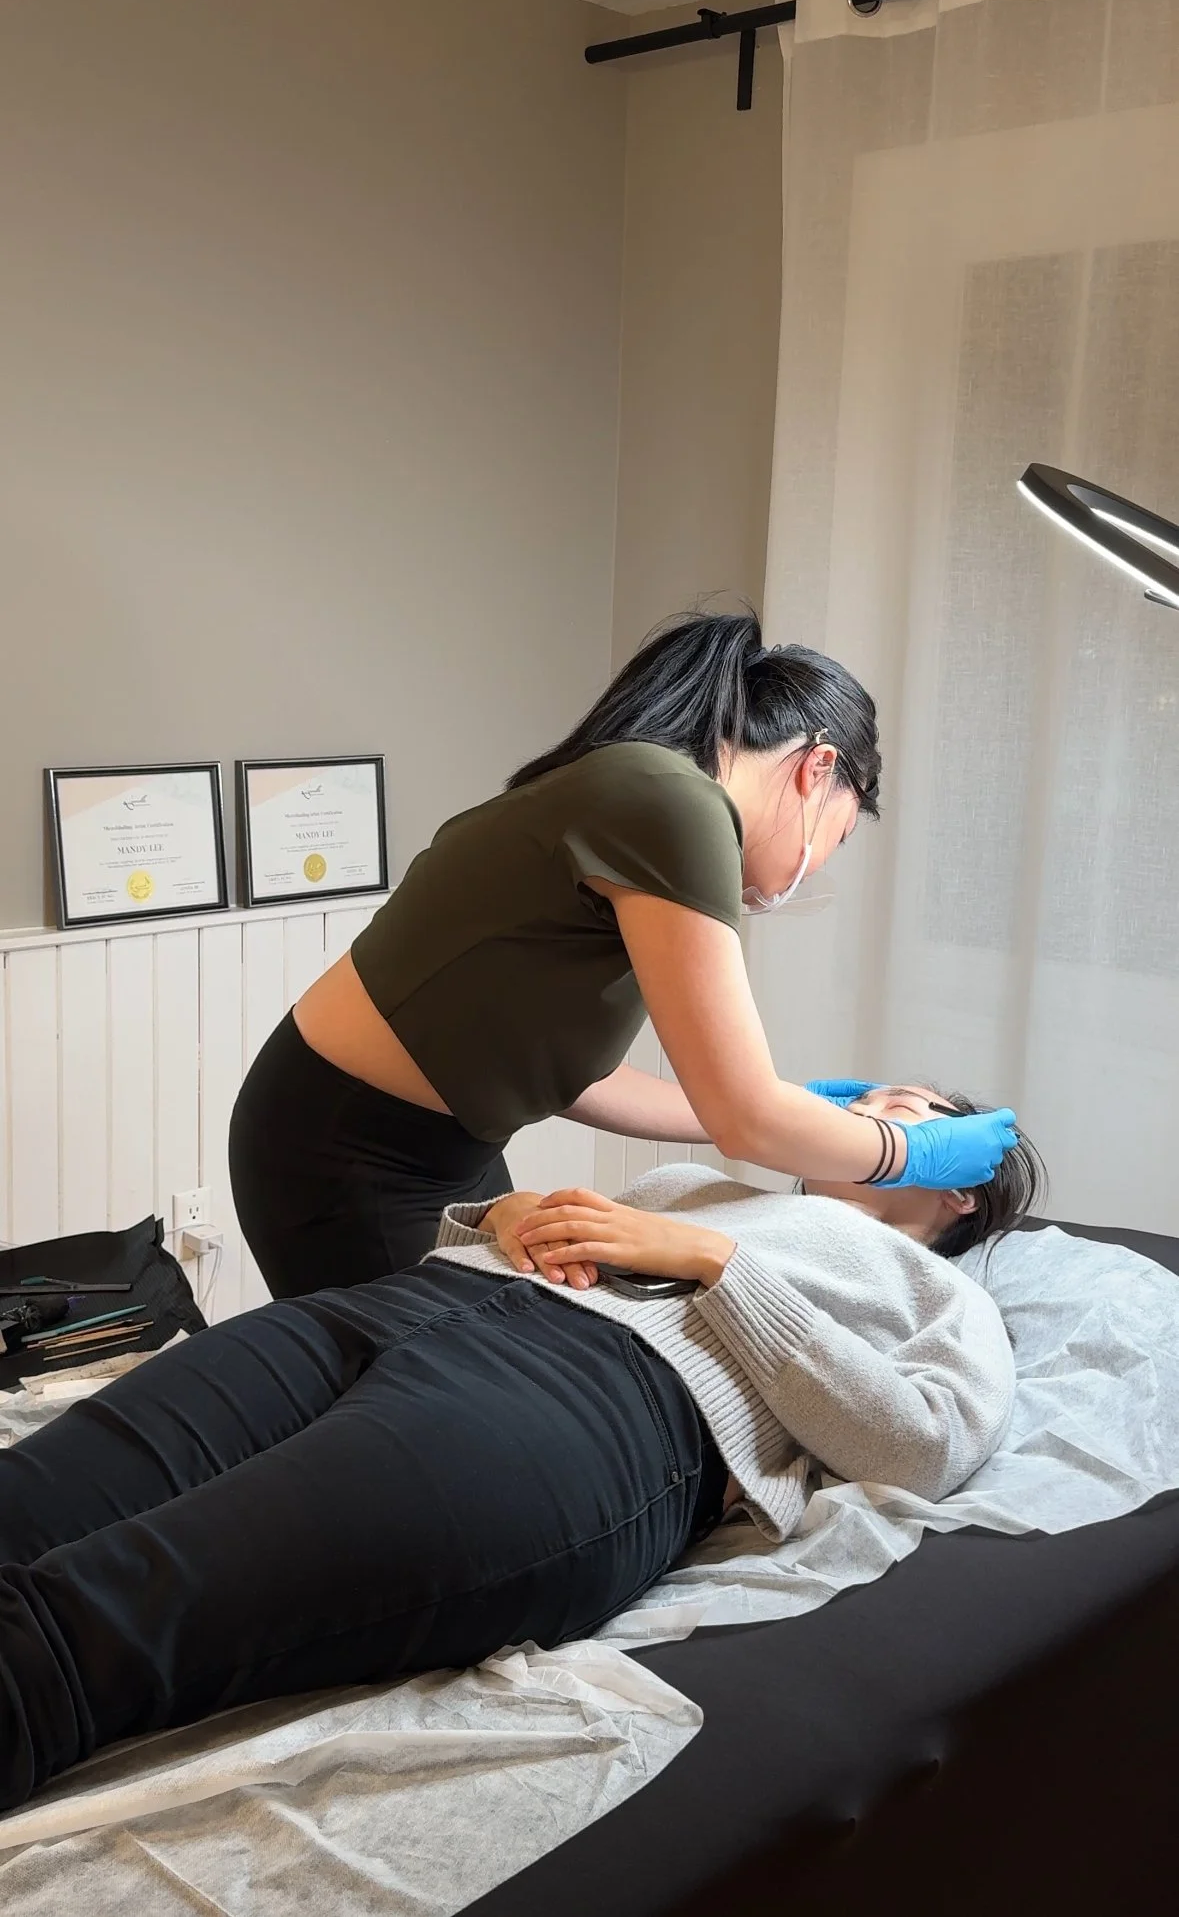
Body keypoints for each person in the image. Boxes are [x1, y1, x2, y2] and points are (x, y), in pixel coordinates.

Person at [0, 1085, 1024, 1815]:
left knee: (86, 1625)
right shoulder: (697, 1183)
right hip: (395, 1308)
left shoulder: (942, 1293)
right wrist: (499, 1215)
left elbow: (920, 1447)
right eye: (862, 1098)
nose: (867, 1108)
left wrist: (721, 1267)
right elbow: (512, 1243)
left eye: (906, 1107)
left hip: (591, 1404)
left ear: (962, 1188)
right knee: (23, 1503)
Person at [228, 609, 1018, 1294]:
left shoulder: (646, 790)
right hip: (350, 1147)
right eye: (836, 838)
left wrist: (785, 1105)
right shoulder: (671, 807)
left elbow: (578, 1075)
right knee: (402, 1384)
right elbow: (746, 1122)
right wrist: (903, 1149)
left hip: (439, 1144)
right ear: (818, 770)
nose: (808, 870)